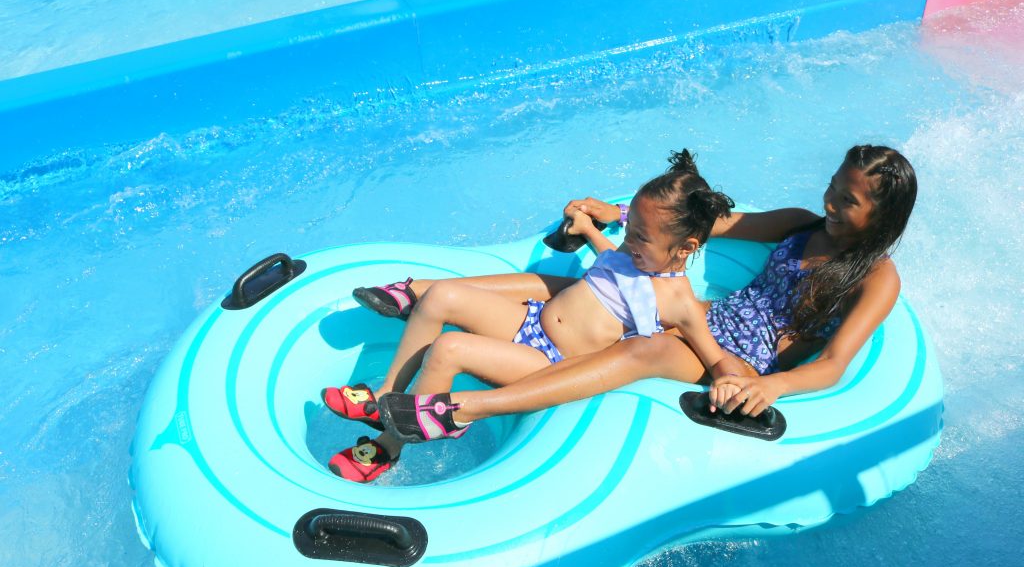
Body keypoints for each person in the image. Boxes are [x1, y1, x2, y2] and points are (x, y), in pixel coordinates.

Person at [351, 144, 917, 462]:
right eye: (833, 187)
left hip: (741, 362)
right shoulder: (802, 222)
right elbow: (705, 224)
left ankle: (467, 410)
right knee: (604, 283)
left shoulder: (877, 277)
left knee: (642, 348)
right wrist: (618, 219)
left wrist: (768, 386)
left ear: (883, 217)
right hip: (708, 323)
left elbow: (834, 364)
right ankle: (428, 298)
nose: (831, 202)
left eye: (849, 200)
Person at [322, 150, 736, 481]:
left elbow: (711, 355)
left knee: (449, 348)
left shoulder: (679, 302)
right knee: (442, 295)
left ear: (685, 248)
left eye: (639, 237)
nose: (628, 241)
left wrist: (731, 382)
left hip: (548, 361)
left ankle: (388, 446)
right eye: (629, 231)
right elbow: (616, 265)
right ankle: (385, 394)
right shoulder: (634, 254)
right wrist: (589, 229)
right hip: (531, 321)